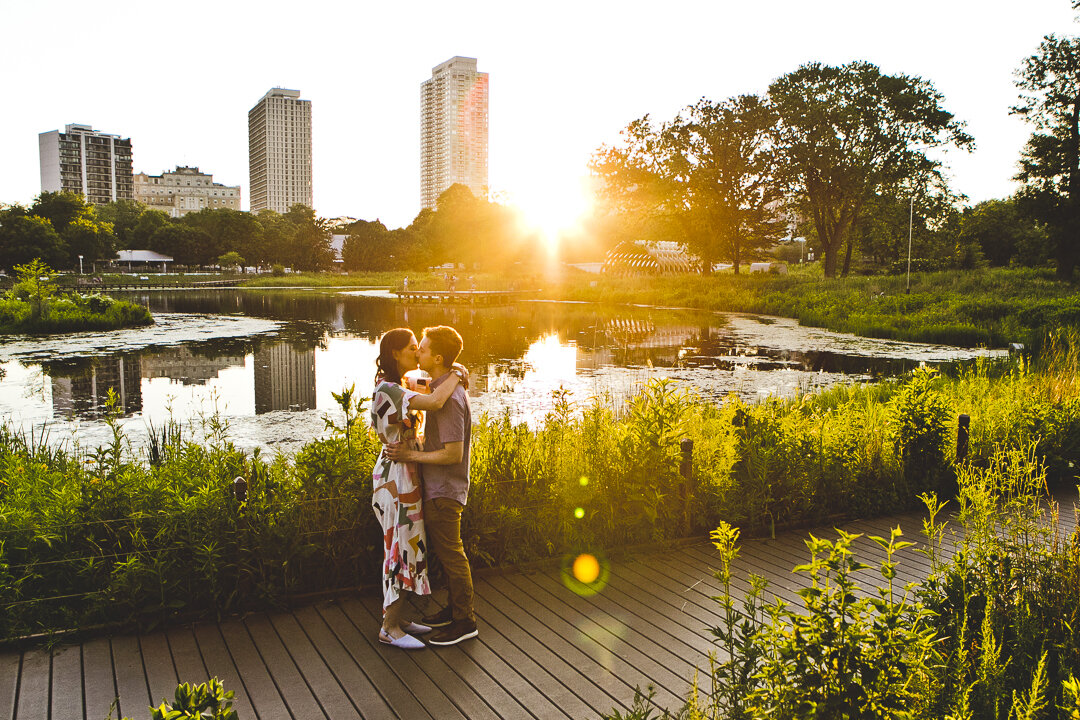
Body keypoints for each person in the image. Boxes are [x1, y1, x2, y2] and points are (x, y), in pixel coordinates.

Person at [370, 328, 465, 650]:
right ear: (395, 353)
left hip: (408, 471)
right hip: (396, 474)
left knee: (410, 545)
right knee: (398, 547)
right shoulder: (387, 389)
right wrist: (456, 373)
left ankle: (399, 616)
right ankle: (389, 626)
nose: (417, 352)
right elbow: (437, 402)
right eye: (412, 348)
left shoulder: (402, 385)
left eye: (418, 347)